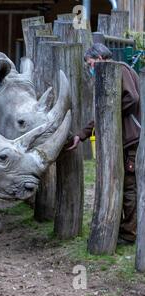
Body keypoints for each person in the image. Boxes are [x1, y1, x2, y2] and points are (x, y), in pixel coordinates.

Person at [66, 43, 141, 245]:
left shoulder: (120, 69)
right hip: (124, 140)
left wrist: (112, 114)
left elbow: (131, 98)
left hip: (131, 140)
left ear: (99, 58)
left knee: (129, 187)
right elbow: (103, 114)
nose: (91, 68)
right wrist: (82, 134)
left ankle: (129, 233)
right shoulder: (115, 71)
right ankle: (123, 229)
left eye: (91, 64)